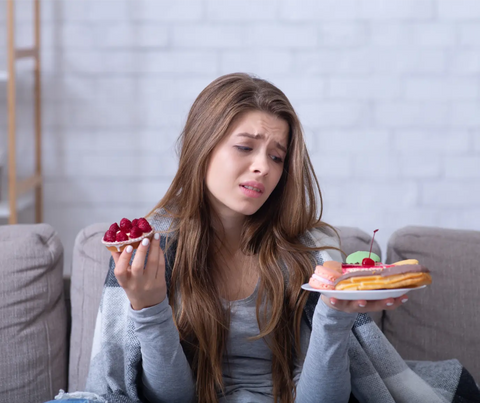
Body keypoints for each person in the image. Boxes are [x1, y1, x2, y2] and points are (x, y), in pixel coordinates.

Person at [48, 73, 480, 403]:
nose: (263, 167)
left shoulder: (311, 250)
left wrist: (333, 316)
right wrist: (149, 307)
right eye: (245, 147)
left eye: (277, 156)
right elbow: (170, 398)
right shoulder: (148, 248)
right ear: (204, 145)